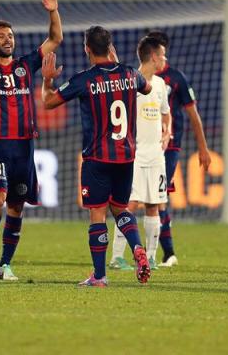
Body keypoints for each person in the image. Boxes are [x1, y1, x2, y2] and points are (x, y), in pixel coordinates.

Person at [41, 25, 152, 287]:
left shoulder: (85, 79)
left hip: (98, 158)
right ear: (111, 47)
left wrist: (47, 79)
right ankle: (137, 248)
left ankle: (100, 276)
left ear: (87, 49)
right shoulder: (129, 74)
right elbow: (146, 87)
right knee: (120, 208)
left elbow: (48, 102)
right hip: (126, 156)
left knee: (98, 214)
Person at [0, 0, 63, 281]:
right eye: (2, 37)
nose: (8, 40)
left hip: (24, 145)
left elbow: (55, 38)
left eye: (11, 36)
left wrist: (52, 11)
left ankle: (6, 266)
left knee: (17, 205)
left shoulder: (26, 65)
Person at [146, 31, 211, 268]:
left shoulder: (176, 78)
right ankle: (152, 253)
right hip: (144, 145)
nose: (162, 57)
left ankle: (167, 253)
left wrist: (203, 148)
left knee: (158, 198)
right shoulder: (141, 78)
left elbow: (193, 114)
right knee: (143, 199)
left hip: (169, 146)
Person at [108, 36, 171, 271]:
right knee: (129, 205)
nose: (165, 59)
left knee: (154, 205)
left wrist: (167, 131)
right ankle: (117, 257)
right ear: (153, 57)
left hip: (156, 155)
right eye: (163, 55)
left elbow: (166, 113)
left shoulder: (161, 85)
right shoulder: (129, 82)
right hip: (133, 155)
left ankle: (151, 257)